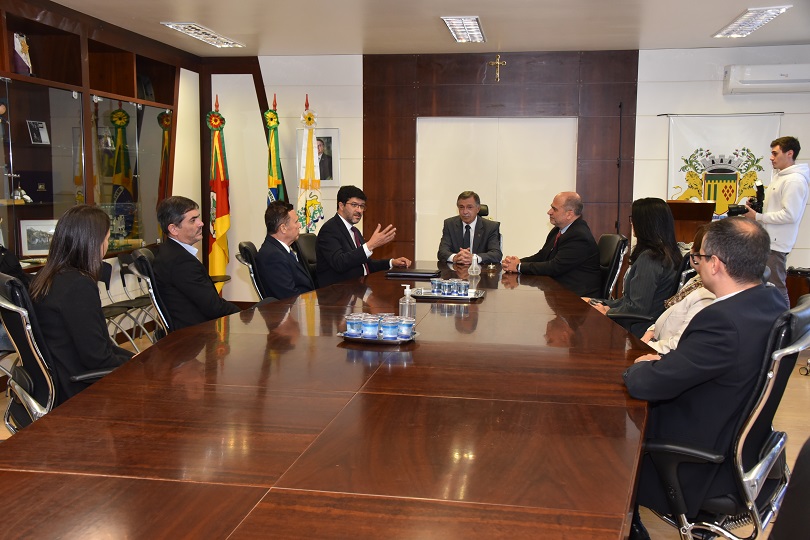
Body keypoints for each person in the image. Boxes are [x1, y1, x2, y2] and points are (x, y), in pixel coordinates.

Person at [622, 217, 788, 539]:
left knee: (607, 445)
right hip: (742, 445)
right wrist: (669, 363)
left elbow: (645, 384)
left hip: (700, 463)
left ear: (715, 264)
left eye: (699, 258)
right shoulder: (770, 301)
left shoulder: (722, 320)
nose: (695, 265)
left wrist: (642, 366)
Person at [30, 205, 133, 404]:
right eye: (107, 238)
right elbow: (98, 358)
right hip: (79, 389)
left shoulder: (47, 278)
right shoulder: (78, 286)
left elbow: (98, 348)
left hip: (58, 381)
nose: (107, 244)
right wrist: (135, 363)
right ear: (92, 243)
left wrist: (135, 357)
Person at [584, 197, 680, 338]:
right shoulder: (668, 253)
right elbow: (631, 300)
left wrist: (607, 312)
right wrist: (602, 303)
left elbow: (637, 308)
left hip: (639, 330)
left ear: (644, 223)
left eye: (632, 218)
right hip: (644, 324)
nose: (631, 223)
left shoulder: (651, 258)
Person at [153, 196, 239, 330]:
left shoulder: (169, 252)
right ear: (174, 229)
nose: (201, 223)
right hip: (197, 337)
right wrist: (244, 314)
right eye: (193, 220)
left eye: (198, 218)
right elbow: (214, 307)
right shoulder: (180, 261)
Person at [743, 136, 808, 305]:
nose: (771, 157)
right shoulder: (780, 177)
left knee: (776, 287)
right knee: (765, 286)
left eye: (775, 153)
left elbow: (790, 215)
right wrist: (758, 207)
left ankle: (787, 327)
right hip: (768, 241)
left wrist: (758, 217)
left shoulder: (794, 180)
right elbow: (775, 208)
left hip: (776, 245)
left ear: (789, 153)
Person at [502, 191, 600, 297]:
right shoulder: (558, 230)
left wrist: (518, 267)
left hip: (577, 298)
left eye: (555, 209)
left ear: (569, 214)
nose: (549, 212)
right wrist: (518, 262)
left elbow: (554, 267)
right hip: (559, 292)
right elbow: (543, 255)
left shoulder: (579, 236)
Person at [316, 185, 411, 287]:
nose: (359, 210)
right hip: (336, 294)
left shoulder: (354, 231)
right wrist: (370, 245)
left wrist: (392, 263)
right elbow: (340, 263)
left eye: (362, 206)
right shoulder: (330, 229)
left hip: (357, 289)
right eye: (354, 205)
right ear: (341, 205)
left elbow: (365, 264)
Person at [641, 225, 714, 354]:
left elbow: (679, 343)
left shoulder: (707, 295)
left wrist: (647, 348)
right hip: (656, 341)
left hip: (662, 353)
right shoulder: (696, 280)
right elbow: (670, 314)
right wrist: (651, 331)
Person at [256, 200, 315, 299]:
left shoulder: (283, 249)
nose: (299, 225)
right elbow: (290, 297)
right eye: (296, 221)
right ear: (283, 228)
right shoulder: (273, 257)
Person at [437, 191, 502, 265]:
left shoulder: (490, 227)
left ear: (478, 209)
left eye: (469, 207)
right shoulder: (449, 224)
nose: (465, 212)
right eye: (461, 207)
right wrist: (455, 257)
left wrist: (474, 258)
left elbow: (496, 254)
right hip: (455, 272)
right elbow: (442, 252)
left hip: (481, 273)